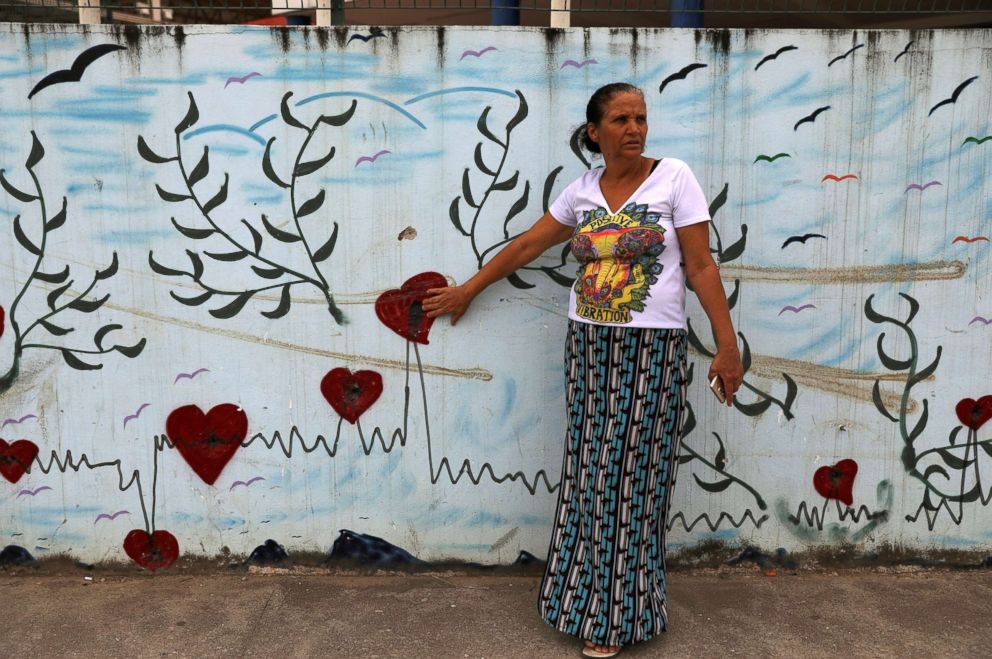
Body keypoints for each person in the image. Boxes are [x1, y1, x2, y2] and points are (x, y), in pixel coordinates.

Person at [422, 82, 743, 658]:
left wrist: (727, 346)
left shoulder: (674, 178)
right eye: (621, 119)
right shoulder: (582, 191)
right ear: (594, 132)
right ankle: (578, 601)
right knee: (590, 473)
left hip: (653, 352)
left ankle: (619, 615)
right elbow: (525, 247)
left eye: (641, 117)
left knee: (635, 479)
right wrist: (468, 289)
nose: (635, 128)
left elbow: (700, 265)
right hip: (589, 347)